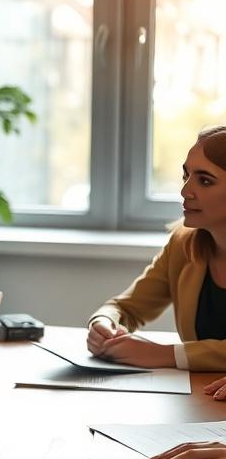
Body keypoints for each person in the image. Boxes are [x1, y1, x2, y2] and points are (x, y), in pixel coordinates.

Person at [87, 126, 226, 372]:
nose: (185, 191)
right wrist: (104, 323)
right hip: (201, 398)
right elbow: (126, 307)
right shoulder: (183, 245)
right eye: (186, 176)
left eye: (204, 180)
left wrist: (165, 354)